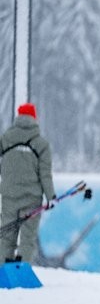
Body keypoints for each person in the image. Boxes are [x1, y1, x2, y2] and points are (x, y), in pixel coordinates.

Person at [0, 103, 57, 263]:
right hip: (32, 199)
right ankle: (22, 272)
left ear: (18, 117)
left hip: (9, 196)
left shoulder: (6, 138)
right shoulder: (41, 144)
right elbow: (45, 174)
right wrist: (51, 196)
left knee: (6, 237)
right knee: (27, 238)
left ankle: (3, 272)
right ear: (34, 119)